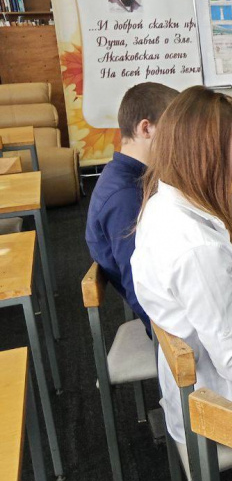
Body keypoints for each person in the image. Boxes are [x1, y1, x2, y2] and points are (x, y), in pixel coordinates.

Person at [131, 86, 232, 444]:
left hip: (207, 389)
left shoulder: (164, 204)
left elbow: (202, 310)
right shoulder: (197, 248)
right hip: (228, 407)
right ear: (207, 153)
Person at [86, 82, 178, 331]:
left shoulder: (134, 177)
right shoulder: (125, 196)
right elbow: (140, 287)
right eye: (173, 130)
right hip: (171, 330)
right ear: (146, 128)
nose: (179, 140)